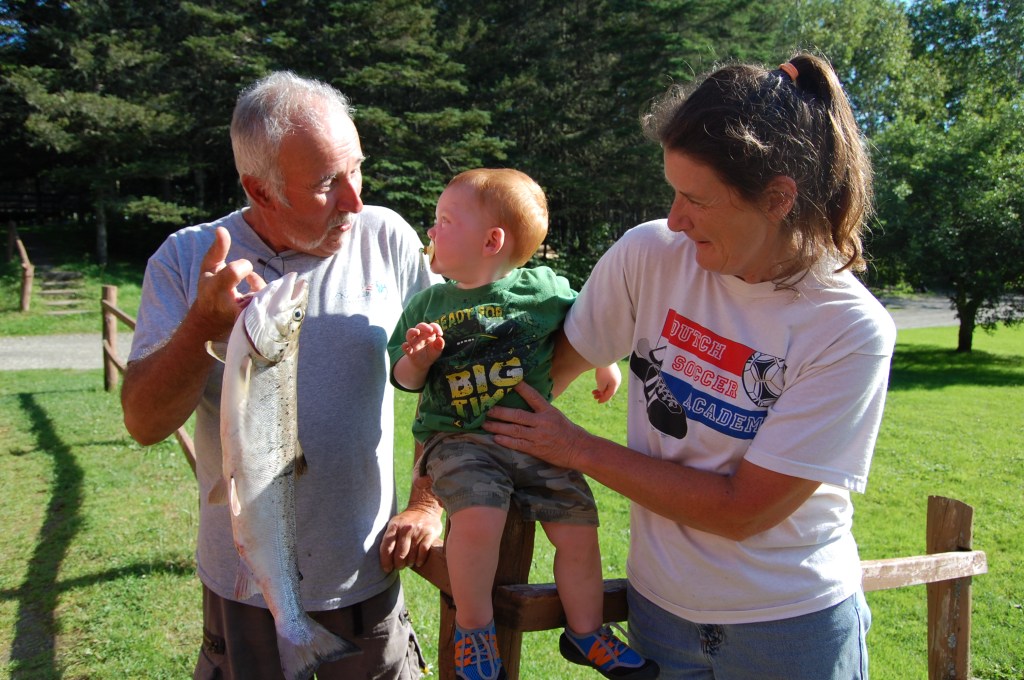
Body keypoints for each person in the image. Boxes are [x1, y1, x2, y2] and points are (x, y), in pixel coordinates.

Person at [483, 53, 897, 680]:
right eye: (672, 193)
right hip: (660, 614)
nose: (674, 218)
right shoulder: (651, 255)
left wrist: (580, 450)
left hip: (790, 628)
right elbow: (538, 386)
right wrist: (438, 493)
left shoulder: (848, 328)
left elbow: (743, 510)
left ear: (779, 197)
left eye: (696, 199)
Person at [121, 71, 444, 679]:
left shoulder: (387, 236)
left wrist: (427, 500)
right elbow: (144, 424)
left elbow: (445, 380)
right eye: (326, 183)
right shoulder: (188, 258)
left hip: (365, 575)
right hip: (246, 587)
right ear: (259, 189)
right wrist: (199, 329)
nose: (354, 199)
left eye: (357, 169)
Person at [387, 169, 658, 680]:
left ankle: (585, 632)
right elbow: (403, 380)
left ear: (492, 241)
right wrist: (418, 360)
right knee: (480, 518)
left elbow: (585, 320)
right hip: (460, 438)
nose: (431, 231)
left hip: (536, 438)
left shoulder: (543, 289)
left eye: (445, 221)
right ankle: (475, 629)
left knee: (579, 526)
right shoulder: (430, 305)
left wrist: (604, 362)